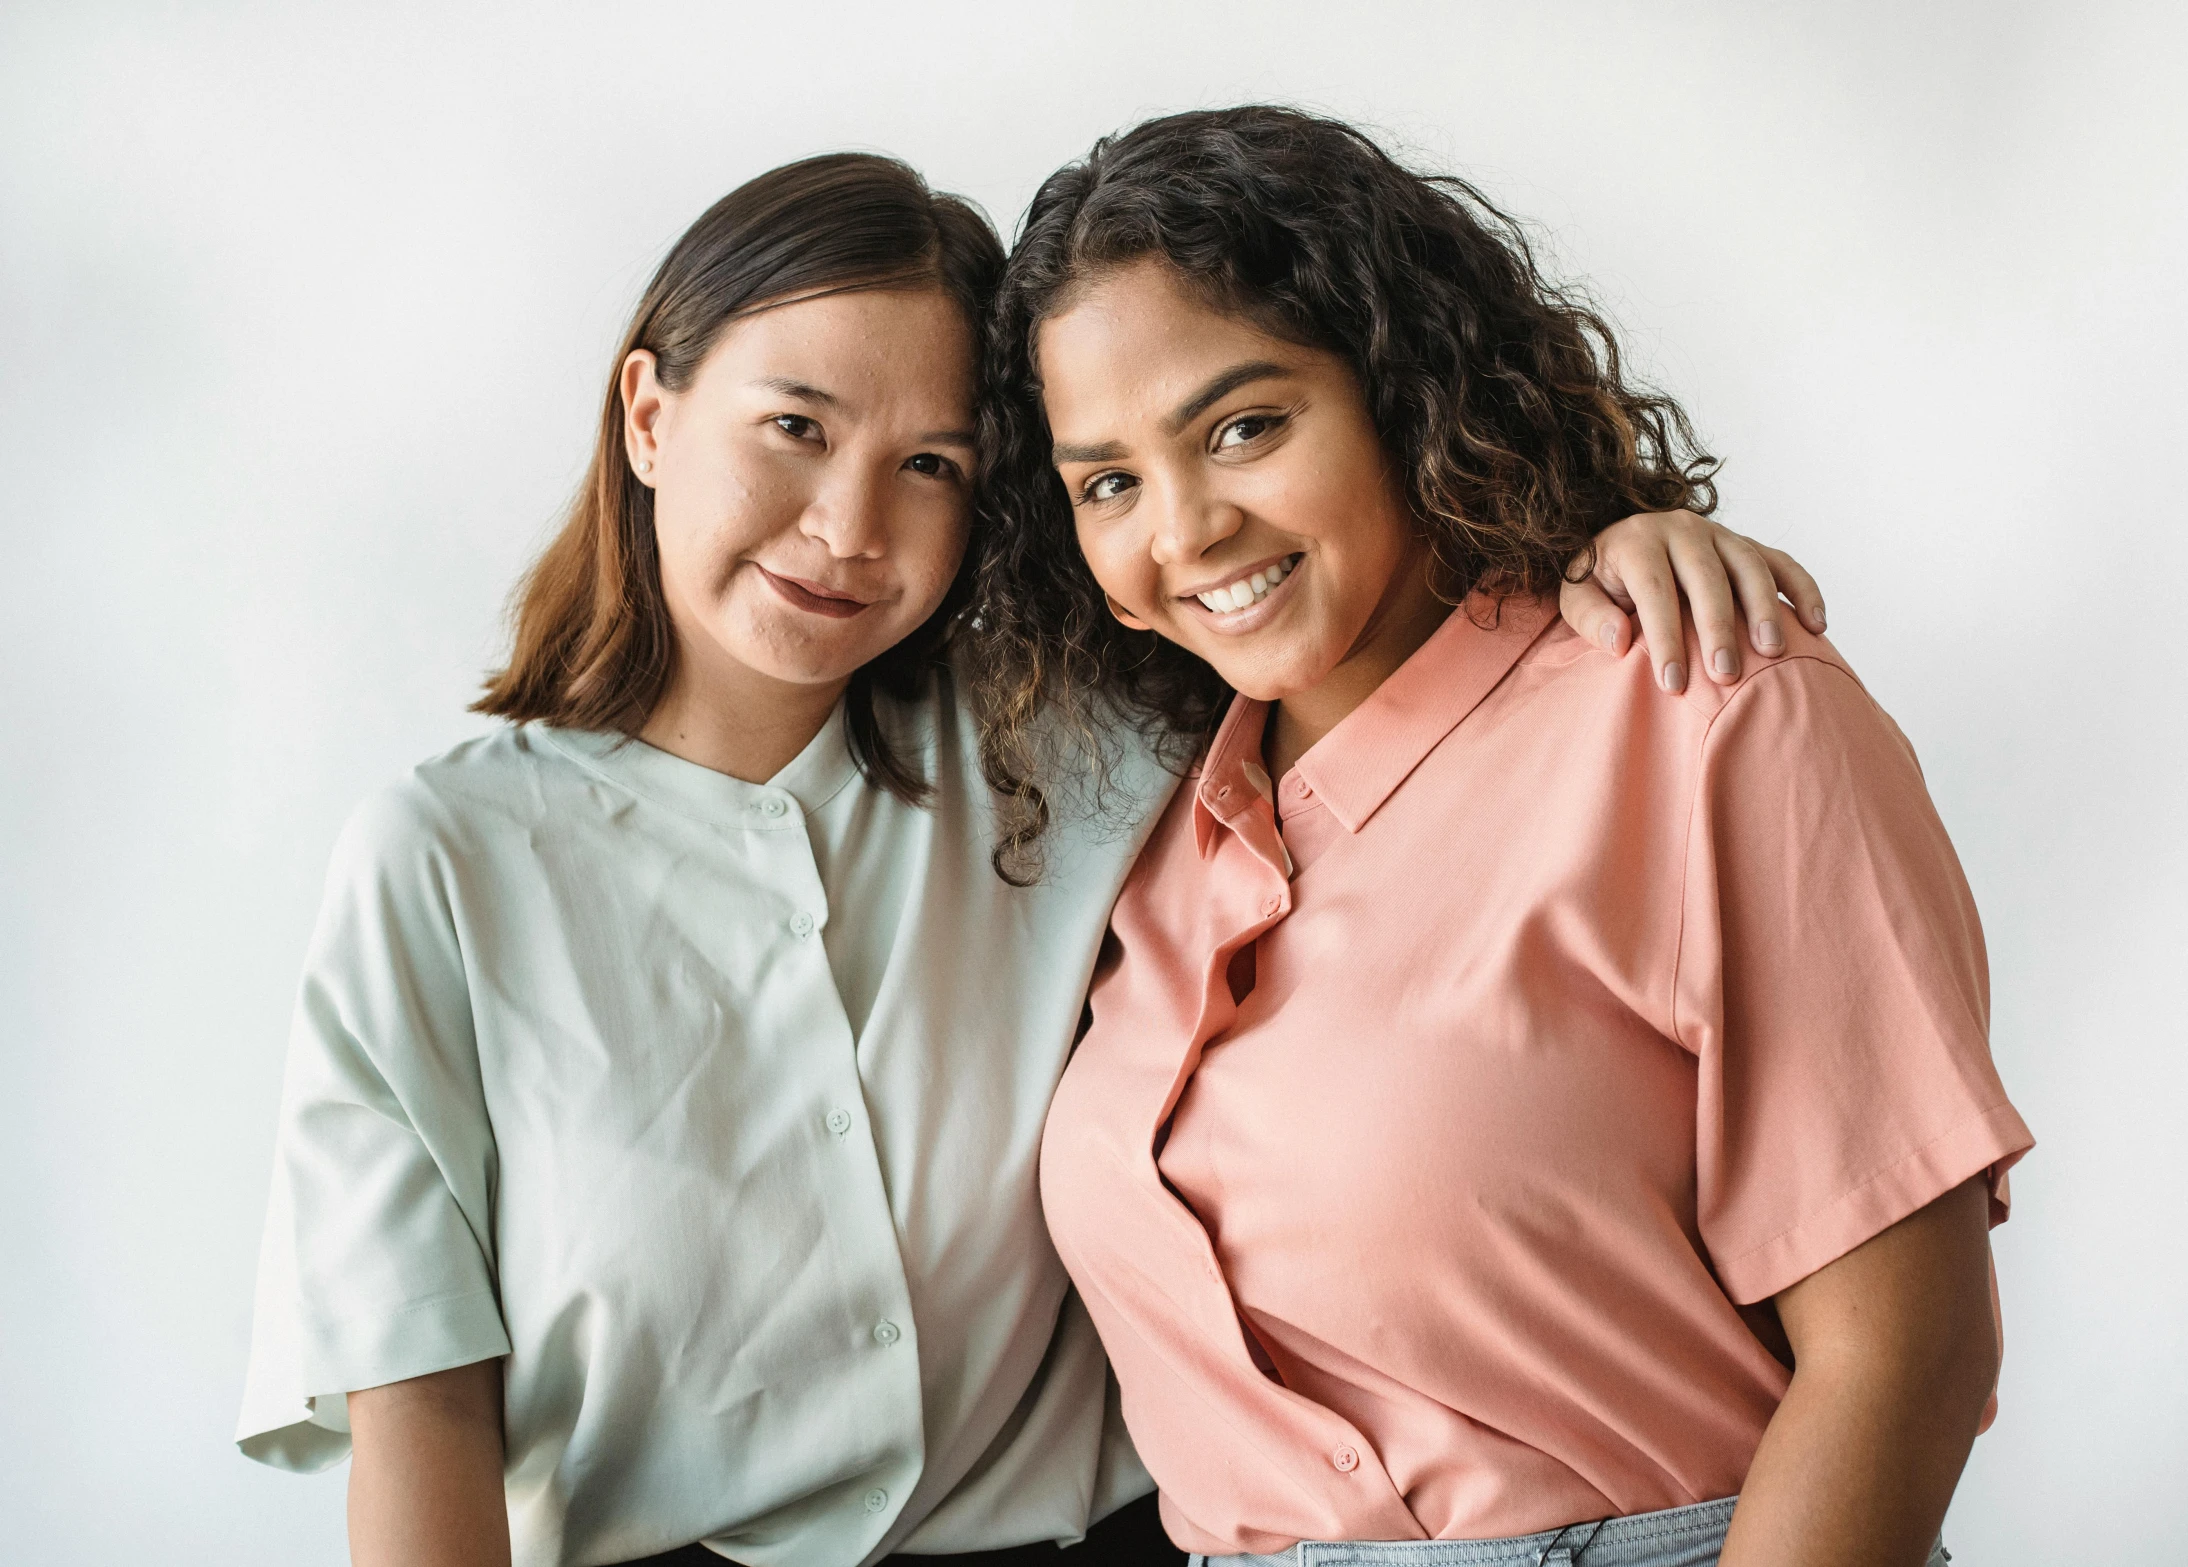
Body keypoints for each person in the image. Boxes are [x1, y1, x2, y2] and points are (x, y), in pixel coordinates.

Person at [235, 151, 1815, 1567]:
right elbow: (420, 1413)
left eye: (931, 464)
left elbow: (1324, 594)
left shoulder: (1082, 746)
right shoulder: (440, 862)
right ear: (649, 416)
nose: (848, 524)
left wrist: (1605, 542)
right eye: (794, 427)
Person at [971, 107, 2034, 1567]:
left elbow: (1904, 1360)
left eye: (1244, 427)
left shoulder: (1699, 709)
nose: (1185, 527)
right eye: (1109, 481)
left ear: (1402, 389)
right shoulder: (1138, 818)